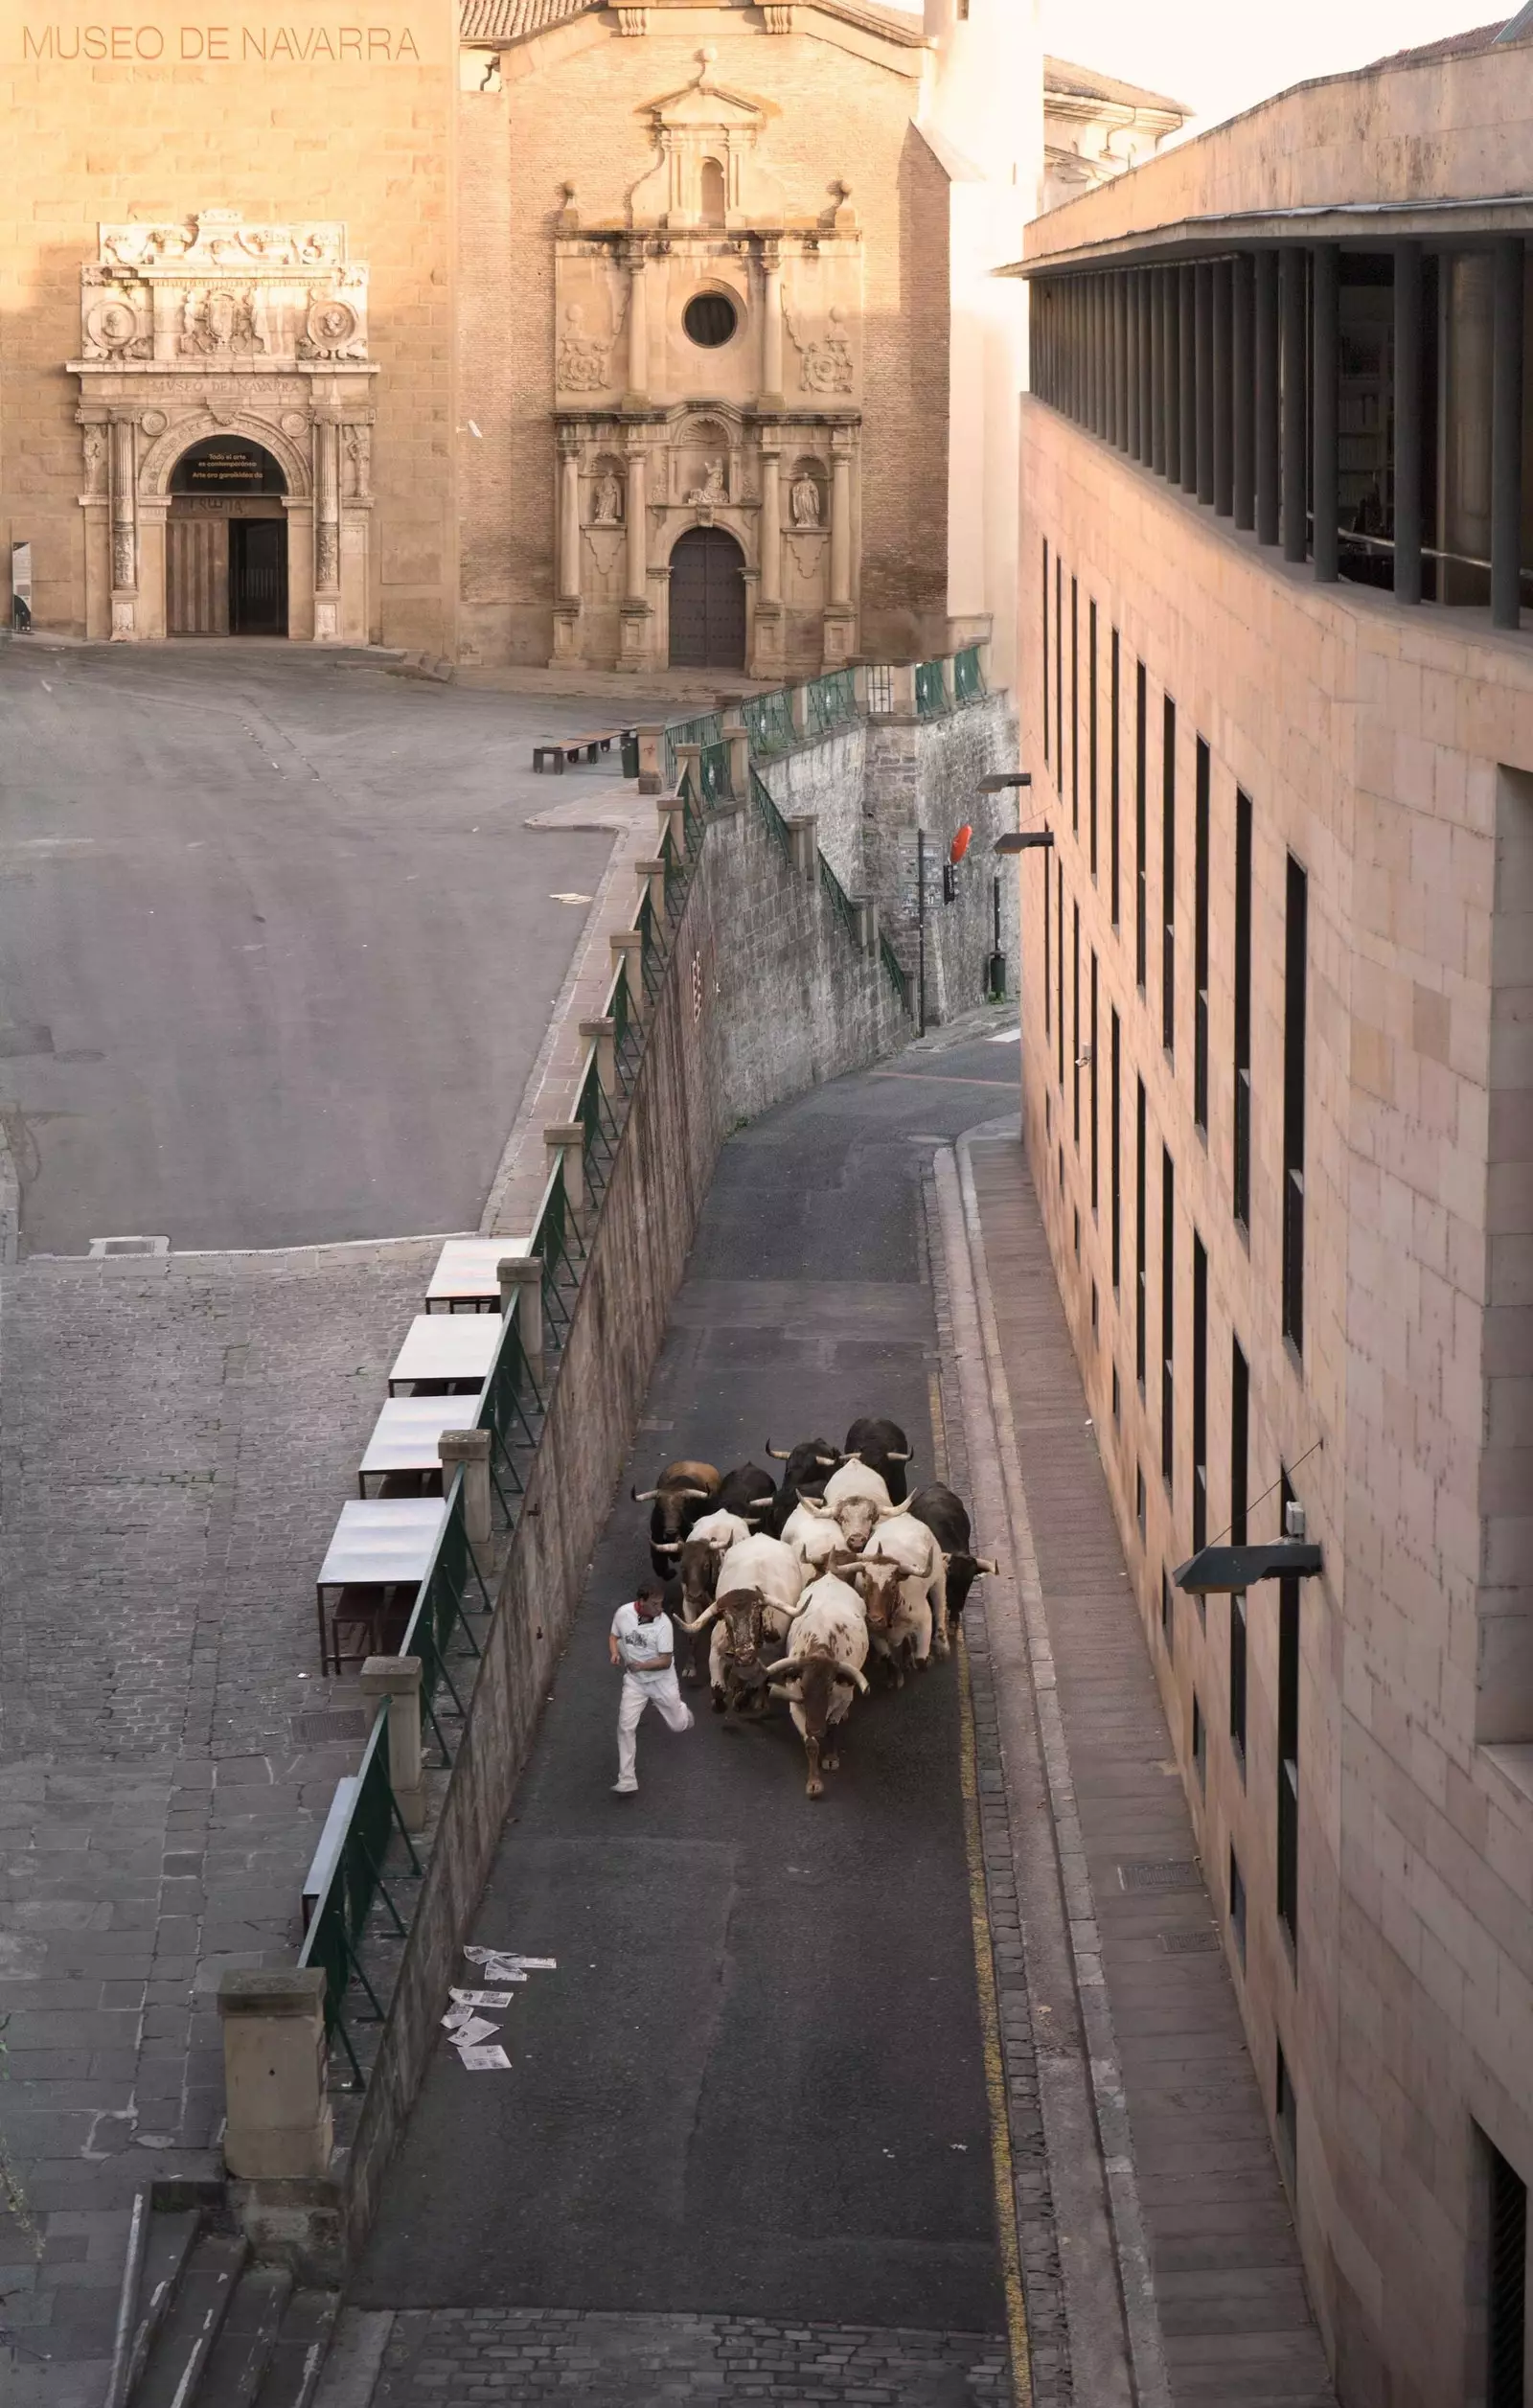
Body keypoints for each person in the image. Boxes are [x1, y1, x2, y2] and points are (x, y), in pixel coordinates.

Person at [609, 1579, 693, 1795]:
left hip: (662, 1681)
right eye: (655, 1604)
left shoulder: (664, 1624)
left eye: (661, 1603)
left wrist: (642, 1665)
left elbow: (665, 1661)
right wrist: (615, 1653)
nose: (660, 1608)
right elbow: (614, 1636)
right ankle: (627, 1778)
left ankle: (682, 1712)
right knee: (625, 1727)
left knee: (678, 1725)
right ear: (641, 1601)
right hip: (635, 1683)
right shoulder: (623, 1614)